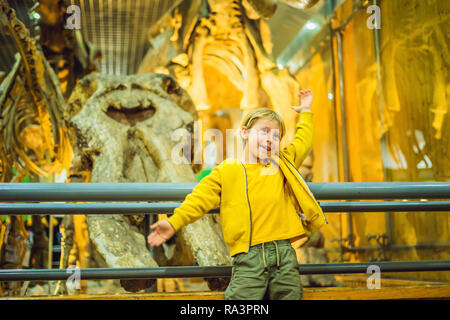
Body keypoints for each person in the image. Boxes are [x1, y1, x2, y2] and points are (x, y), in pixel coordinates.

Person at [147, 89, 327, 300]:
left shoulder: (282, 163)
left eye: (277, 135)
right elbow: (199, 199)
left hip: (285, 255)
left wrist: (306, 110)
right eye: (264, 131)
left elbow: (303, 140)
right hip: (249, 259)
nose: (271, 139)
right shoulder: (227, 170)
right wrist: (174, 223)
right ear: (245, 133)